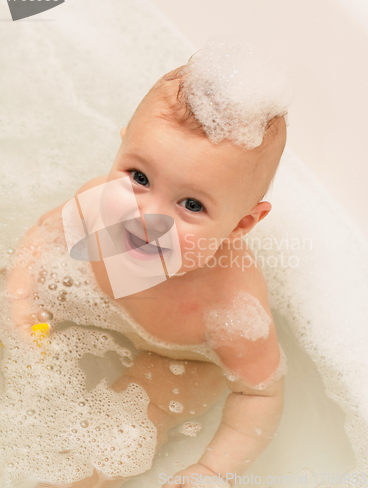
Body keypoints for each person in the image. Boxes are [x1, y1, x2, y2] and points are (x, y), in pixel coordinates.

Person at [7, 37, 290, 488]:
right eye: (138, 177)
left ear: (242, 224)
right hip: (87, 307)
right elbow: (44, 236)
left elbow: (259, 391)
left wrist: (214, 470)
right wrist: (20, 299)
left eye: (191, 205)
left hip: (179, 361)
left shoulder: (232, 307)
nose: (146, 217)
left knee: (114, 432)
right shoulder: (97, 202)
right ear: (121, 148)